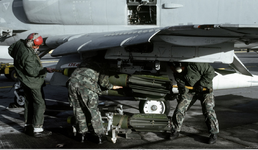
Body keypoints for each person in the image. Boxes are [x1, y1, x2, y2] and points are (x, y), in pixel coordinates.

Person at [67, 57, 123, 144]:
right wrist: (112, 87)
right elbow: (103, 82)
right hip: (86, 86)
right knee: (93, 111)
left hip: (72, 84)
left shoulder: (87, 61)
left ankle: (82, 135)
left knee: (78, 109)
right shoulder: (104, 64)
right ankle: (99, 136)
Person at [8, 33, 53, 137]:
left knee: (29, 102)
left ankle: (28, 126)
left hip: (23, 80)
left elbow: (10, 50)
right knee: (39, 103)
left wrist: (19, 62)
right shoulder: (28, 55)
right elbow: (32, 71)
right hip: (33, 82)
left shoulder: (19, 44)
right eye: (35, 46)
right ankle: (38, 129)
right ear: (30, 42)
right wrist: (45, 69)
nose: (37, 48)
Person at [169, 62, 219, 144]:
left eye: (173, 68)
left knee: (208, 110)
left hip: (205, 90)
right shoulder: (177, 73)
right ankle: (175, 130)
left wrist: (201, 84)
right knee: (180, 109)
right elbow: (182, 86)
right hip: (191, 92)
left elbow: (210, 72)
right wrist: (182, 88)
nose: (172, 70)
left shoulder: (196, 64)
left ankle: (213, 133)